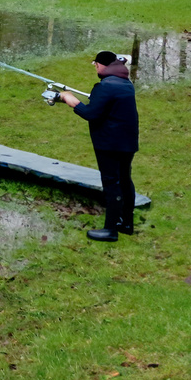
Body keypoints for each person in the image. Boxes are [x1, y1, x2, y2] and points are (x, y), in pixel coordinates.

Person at [53, 50, 139, 242]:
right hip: (128, 142)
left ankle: (110, 230)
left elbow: (91, 114)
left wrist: (70, 99)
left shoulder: (106, 86)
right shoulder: (125, 83)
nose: (96, 68)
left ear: (100, 65)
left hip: (109, 144)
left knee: (112, 183)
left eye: (96, 65)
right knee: (125, 179)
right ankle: (126, 223)